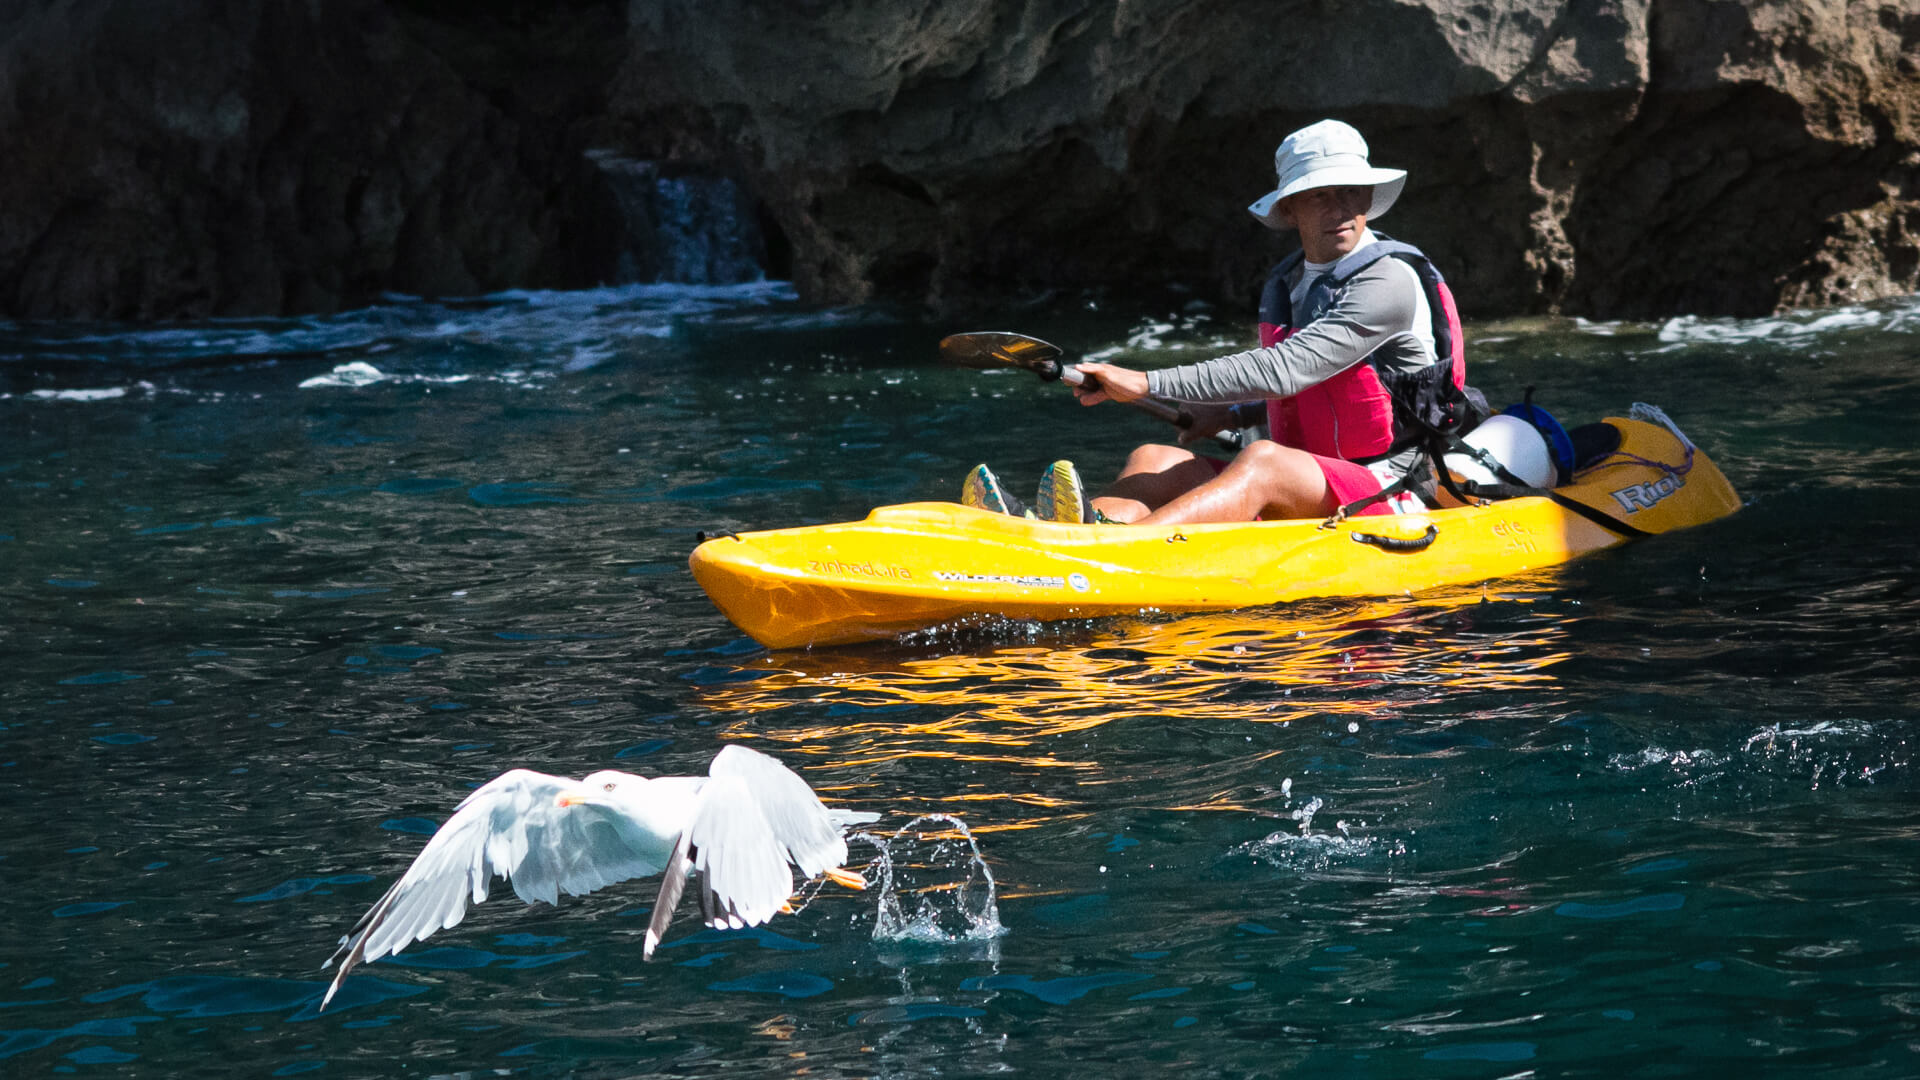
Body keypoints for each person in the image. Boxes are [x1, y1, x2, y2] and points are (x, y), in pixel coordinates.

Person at [961, 119, 1477, 525]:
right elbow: (1327, 388)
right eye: (1320, 194)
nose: (1339, 207)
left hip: (1392, 488)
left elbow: (1289, 369)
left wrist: (1144, 381)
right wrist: (1230, 415)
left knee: (1263, 461)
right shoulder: (1294, 281)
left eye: (1349, 192)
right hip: (1310, 476)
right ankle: (1075, 530)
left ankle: (1117, 553)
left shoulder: (1386, 281)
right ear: (1291, 207)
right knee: (1153, 459)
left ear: (1368, 198)